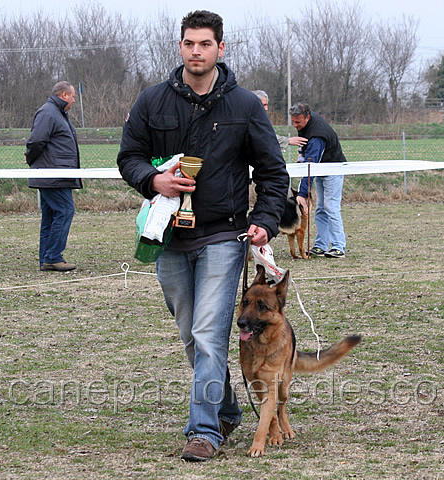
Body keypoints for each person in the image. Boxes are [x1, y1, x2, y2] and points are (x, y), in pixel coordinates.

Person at [117, 10, 289, 462]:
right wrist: (154, 182)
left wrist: (266, 220)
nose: (197, 51)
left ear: (220, 49)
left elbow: (273, 171)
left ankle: (204, 432)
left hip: (223, 236)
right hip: (168, 239)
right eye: (189, 43)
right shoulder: (152, 101)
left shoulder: (245, 105)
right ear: (180, 47)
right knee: (193, 338)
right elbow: (129, 157)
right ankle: (227, 408)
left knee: (210, 333)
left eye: (205, 44)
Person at [25, 81, 82, 272]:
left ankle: (46, 258)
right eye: (73, 96)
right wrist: (31, 160)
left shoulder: (57, 113)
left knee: (50, 216)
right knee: (65, 211)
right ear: (64, 95)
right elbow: (36, 141)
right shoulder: (48, 113)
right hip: (53, 175)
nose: (74, 100)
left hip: (56, 174)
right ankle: (52, 257)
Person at [290, 102, 347, 258]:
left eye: (298, 122)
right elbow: (305, 145)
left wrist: (302, 193)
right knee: (321, 208)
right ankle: (321, 245)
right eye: (293, 122)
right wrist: (302, 154)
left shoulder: (317, 135)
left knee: (331, 206)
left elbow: (311, 166)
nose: (295, 125)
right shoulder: (305, 125)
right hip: (322, 168)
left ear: (307, 118)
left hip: (333, 168)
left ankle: (338, 246)